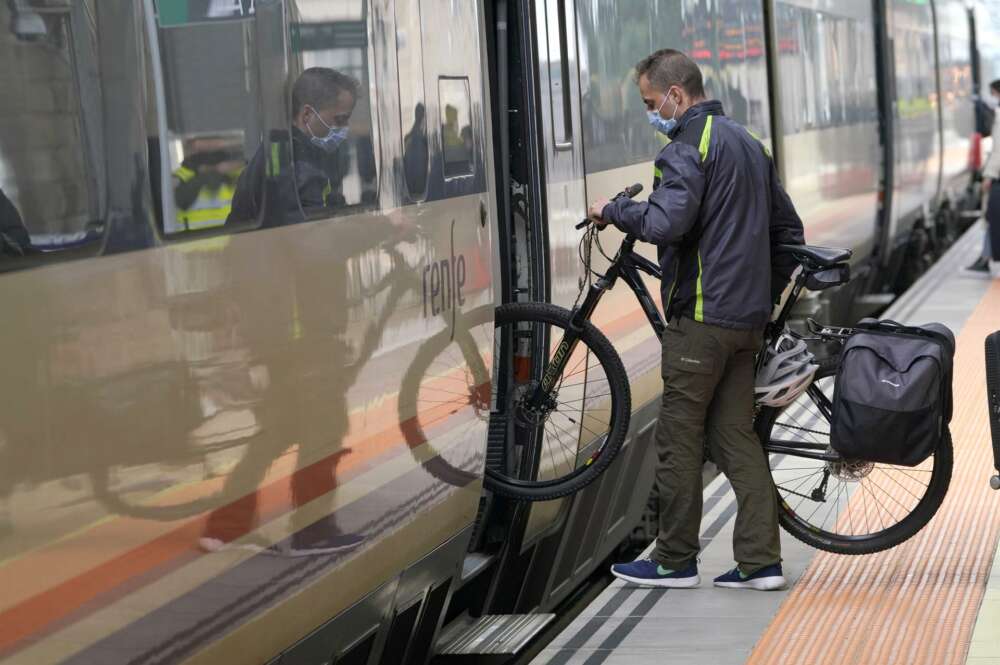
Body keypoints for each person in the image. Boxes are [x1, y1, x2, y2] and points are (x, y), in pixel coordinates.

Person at [588, 49, 804, 590]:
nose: (651, 113)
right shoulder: (749, 144)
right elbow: (788, 232)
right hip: (744, 322)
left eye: (649, 102)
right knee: (735, 437)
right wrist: (763, 300)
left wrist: (613, 211)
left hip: (701, 323)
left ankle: (674, 560)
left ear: (676, 96)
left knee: (679, 439)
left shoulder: (688, 146)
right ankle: (761, 564)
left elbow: (666, 221)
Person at [228, 66, 359, 226]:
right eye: (340, 119)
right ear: (306, 115)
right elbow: (316, 235)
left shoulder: (277, 148)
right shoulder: (301, 166)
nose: (345, 126)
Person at [967, 79, 1000, 275]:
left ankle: (985, 258)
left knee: (991, 215)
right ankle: (985, 257)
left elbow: (998, 150)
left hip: (997, 176)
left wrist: (989, 175)